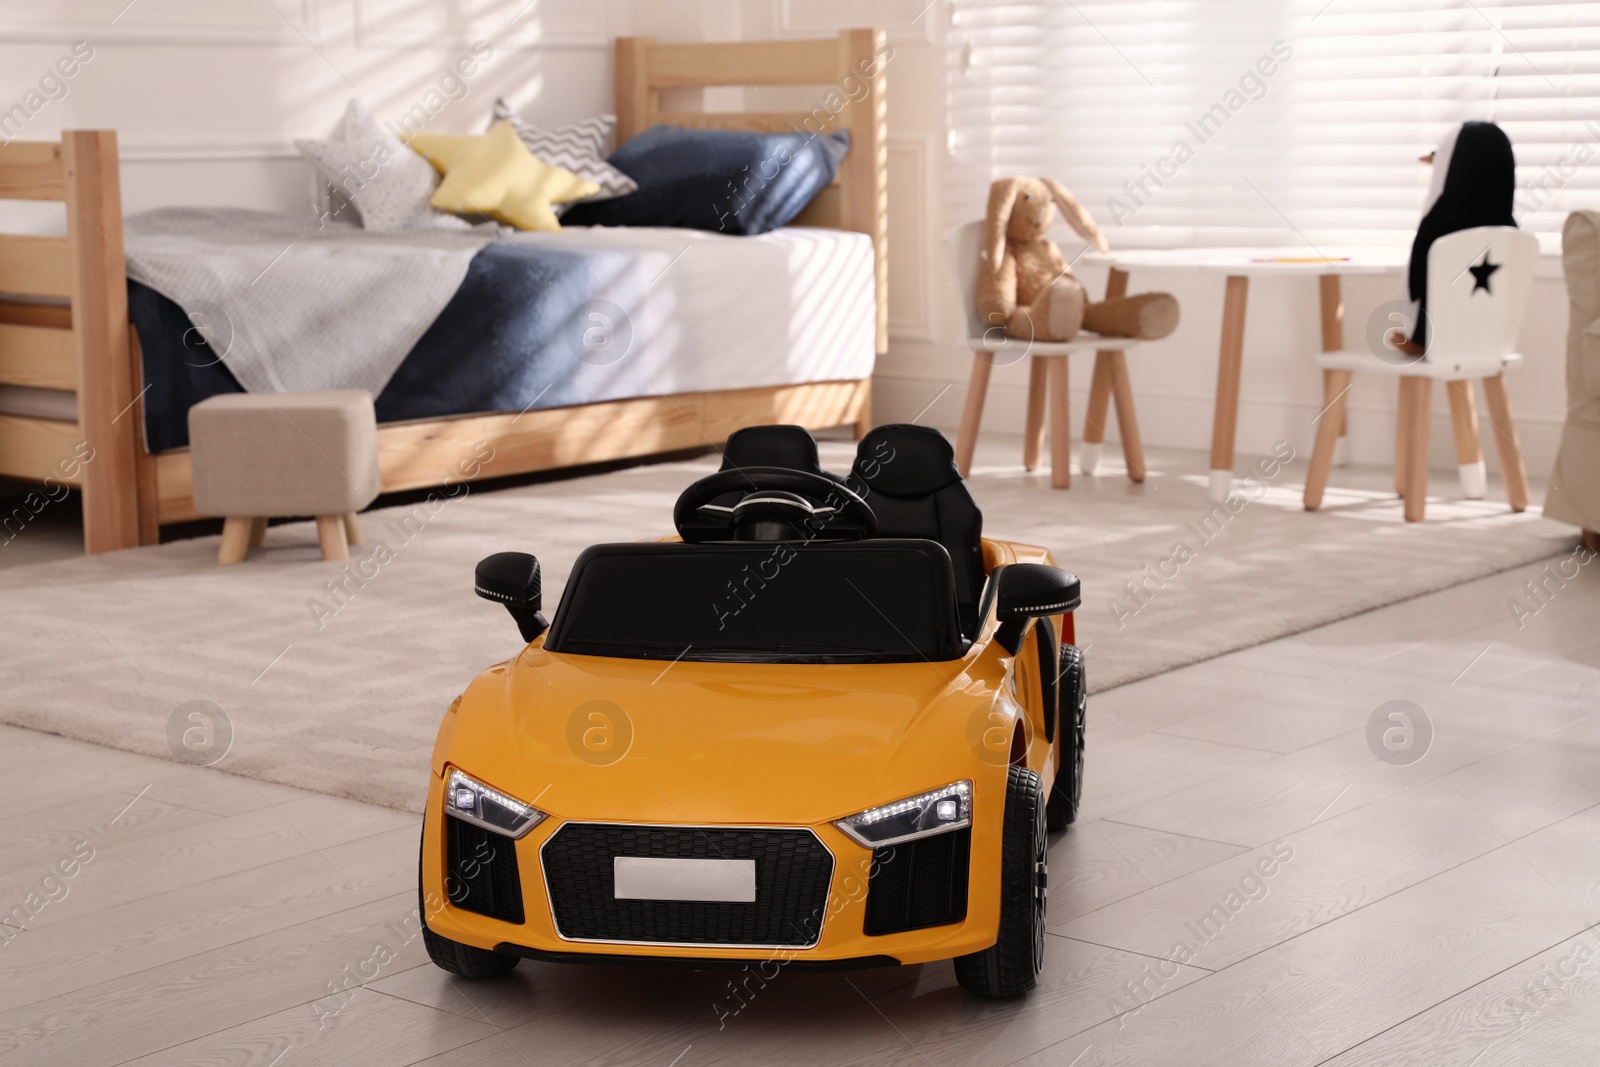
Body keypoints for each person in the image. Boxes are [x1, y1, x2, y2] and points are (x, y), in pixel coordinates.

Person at [1388, 121, 1517, 355]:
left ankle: (1419, 337)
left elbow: (1414, 280)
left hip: (1435, 337)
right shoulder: (1511, 231)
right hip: (1490, 340)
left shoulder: (1439, 223)